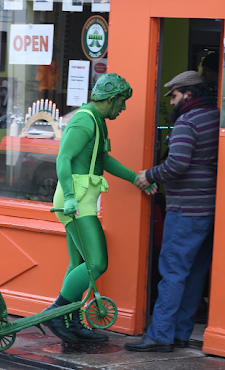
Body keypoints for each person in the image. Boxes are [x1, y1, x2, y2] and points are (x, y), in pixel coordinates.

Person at [43, 73, 157, 344]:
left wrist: (133, 178)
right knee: (97, 262)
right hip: (76, 200)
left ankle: (71, 321)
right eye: (122, 101)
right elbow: (64, 157)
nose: (124, 107)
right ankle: (57, 312)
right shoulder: (85, 119)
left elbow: (102, 157)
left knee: (80, 263)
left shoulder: (97, 121)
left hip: (80, 198)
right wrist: (70, 196)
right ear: (112, 99)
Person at [124, 71, 219, 352]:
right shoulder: (216, 117)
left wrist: (149, 175)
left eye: (175, 96)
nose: (172, 102)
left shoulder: (187, 122)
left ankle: (159, 336)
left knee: (173, 271)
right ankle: (179, 333)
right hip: (209, 208)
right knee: (194, 274)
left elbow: (176, 164)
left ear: (188, 94)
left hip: (186, 208)